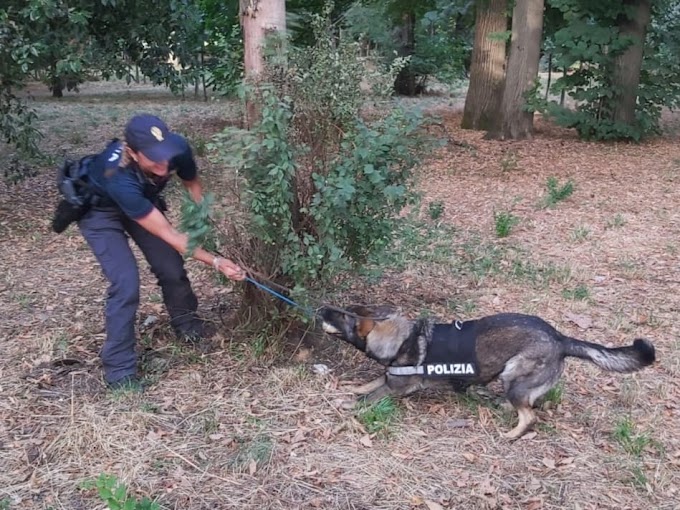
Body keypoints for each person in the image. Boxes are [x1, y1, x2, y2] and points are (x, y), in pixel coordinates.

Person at [78, 113, 245, 390]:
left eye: (165, 153)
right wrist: (216, 261)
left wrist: (202, 218)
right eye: (153, 157)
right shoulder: (118, 176)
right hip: (100, 211)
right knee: (126, 283)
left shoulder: (176, 148)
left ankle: (188, 326)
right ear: (131, 152)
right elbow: (169, 234)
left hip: (143, 202)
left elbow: (191, 183)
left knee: (171, 267)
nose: (164, 163)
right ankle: (120, 370)